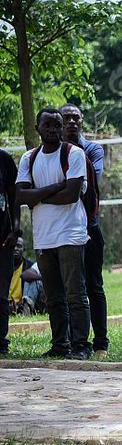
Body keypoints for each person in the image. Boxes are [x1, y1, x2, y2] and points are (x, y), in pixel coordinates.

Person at [16, 108, 91, 359]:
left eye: (57, 125)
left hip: (70, 233)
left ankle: (81, 345)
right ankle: (60, 344)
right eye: (47, 125)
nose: (54, 129)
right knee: (54, 296)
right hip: (44, 236)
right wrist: (57, 186)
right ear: (37, 128)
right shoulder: (29, 158)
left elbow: (72, 195)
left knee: (75, 293)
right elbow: (21, 196)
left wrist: (39, 195)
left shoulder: (74, 153)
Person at [61, 103, 109, 358]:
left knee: (94, 284)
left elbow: (89, 183)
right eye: (66, 118)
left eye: (75, 117)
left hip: (89, 226)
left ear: (82, 121)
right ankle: (68, 341)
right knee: (68, 287)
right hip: (61, 228)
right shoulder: (50, 151)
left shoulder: (92, 150)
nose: (71, 122)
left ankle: (101, 342)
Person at [0, 148, 19, 353]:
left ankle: (1, 342)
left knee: (1, 293)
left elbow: (15, 197)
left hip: (3, 240)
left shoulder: (4, 160)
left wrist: (16, 230)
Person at [9, 237, 45, 316]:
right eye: (13, 246)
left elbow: (25, 275)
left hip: (21, 303)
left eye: (19, 246)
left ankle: (26, 311)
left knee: (31, 279)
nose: (16, 248)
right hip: (6, 304)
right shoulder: (3, 267)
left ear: (23, 249)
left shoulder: (29, 265)